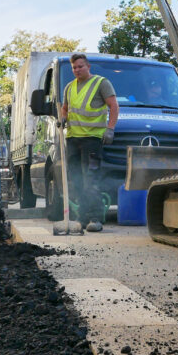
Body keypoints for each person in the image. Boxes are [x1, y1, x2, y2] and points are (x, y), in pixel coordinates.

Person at [61, 53, 119, 232]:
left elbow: (114, 106)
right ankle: (82, 218)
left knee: (91, 178)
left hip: (92, 141)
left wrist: (110, 128)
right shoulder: (69, 87)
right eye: (74, 67)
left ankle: (95, 218)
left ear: (88, 67)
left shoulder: (101, 83)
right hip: (73, 140)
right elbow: (65, 108)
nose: (77, 70)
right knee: (76, 180)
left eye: (80, 66)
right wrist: (62, 119)